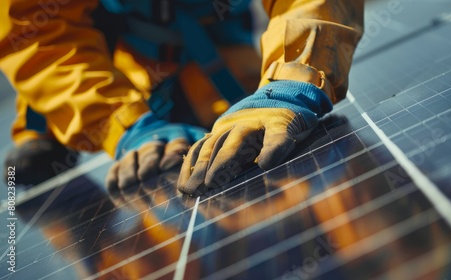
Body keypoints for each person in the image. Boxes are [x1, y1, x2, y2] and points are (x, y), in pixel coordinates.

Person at [0, 0, 364, 196]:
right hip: (120, 67)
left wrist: (291, 78)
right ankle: (44, 127)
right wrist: (124, 123)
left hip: (219, 53)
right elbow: (37, 32)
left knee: (245, 134)